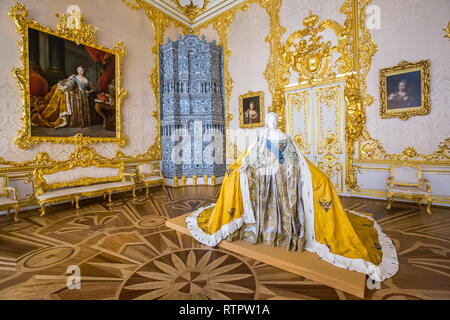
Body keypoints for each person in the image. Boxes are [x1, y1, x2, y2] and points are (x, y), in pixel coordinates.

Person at [186, 112, 399, 282]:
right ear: (273, 122)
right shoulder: (275, 139)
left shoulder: (267, 140)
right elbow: (283, 163)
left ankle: (267, 232)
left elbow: (267, 163)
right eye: (273, 120)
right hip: (275, 182)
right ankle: (283, 233)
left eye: (273, 120)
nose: (273, 122)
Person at [31, 65, 97, 129]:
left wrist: (90, 91)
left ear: (84, 71)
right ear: (77, 71)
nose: (80, 71)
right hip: (77, 94)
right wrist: (64, 88)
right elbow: (70, 84)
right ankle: (75, 122)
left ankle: (83, 123)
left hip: (83, 96)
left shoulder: (87, 80)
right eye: (79, 70)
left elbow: (92, 87)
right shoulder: (75, 77)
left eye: (82, 70)